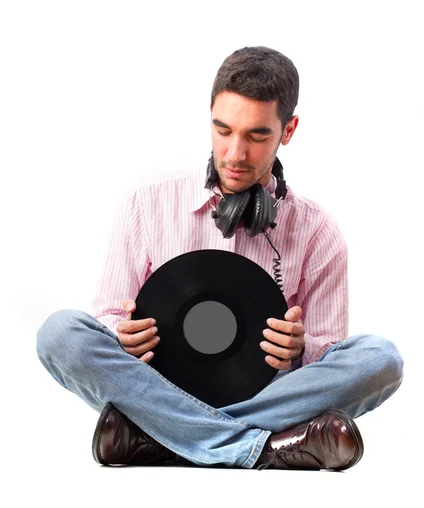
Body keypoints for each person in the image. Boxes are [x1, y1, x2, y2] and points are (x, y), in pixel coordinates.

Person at [36, 46, 404, 470]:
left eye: (256, 135)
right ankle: (263, 448)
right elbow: (104, 318)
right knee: (59, 333)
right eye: (223, 129)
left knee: (380, 360)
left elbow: (328, 360)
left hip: (266, 393)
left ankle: (159, 436)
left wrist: (301, 350)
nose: (234, 153)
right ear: (209, 115)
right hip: (159, 384)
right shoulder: (146, 205)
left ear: (289, 130)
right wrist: (120, 332)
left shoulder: (319, 232)